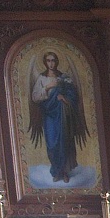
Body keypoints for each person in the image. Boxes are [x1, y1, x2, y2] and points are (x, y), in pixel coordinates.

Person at [28, 50, 88, 185]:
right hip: (49, 114)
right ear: (45, 62)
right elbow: (35, 97)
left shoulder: (63, 78)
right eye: (48, 61)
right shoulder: (42, 79)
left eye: (53, 60)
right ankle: (56, 171)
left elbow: (73, 95)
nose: (51, 63)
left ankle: (64, 171)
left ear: (57, 62)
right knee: (52, 143)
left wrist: (64, 98)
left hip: (62, 115)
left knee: (64, 142)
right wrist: (47, 87)